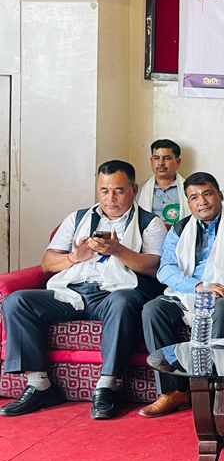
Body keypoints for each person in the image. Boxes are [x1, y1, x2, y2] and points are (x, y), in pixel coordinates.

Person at [0, 161, 166, 419]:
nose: (110, 198)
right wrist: (73, 257)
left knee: (123, 300)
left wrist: (118, 251)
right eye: (104, 190)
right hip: (71, 293)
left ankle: (107, 386)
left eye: (119, 190)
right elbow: (47, 263)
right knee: (16, 301)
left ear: (133, 190)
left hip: (113, 294)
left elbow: (155, 267)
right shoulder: (77, 219)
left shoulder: (150, 223)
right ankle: (39, 385)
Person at [139, 172, 224, 418]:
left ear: (220, 195)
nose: (202, 201)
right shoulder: (179, 229)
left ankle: (212, 389)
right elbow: (165, 269)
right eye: (194, 197)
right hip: (190, 291)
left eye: (208, 194)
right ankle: (173, 392)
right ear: (188, 203)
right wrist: (198, 286)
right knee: (152, 310)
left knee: (220, 309)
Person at [137, 139, 189, 225]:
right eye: (156, 158)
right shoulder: (139, 190)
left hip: (181, 233)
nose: (160, 163)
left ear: (178, 162)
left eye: (167, 158)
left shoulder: (189, 190)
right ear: (151, 161)